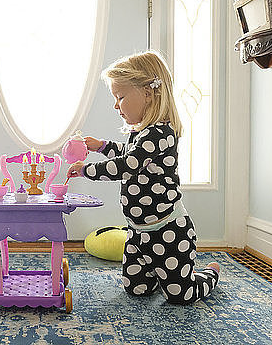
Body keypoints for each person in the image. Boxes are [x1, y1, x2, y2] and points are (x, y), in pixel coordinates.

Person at [67, 51, 220, 304]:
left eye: (121, 97)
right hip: (138, 234)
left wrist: (86, 170)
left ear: (148, 94)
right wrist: (101, 146)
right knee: (136, 289)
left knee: (182, 296)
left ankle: (208, 274)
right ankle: (163, 275)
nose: (116, 105)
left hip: (168, 231)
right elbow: (128, 154)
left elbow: (127, 165)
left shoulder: (161, 133)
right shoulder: (140, 134)